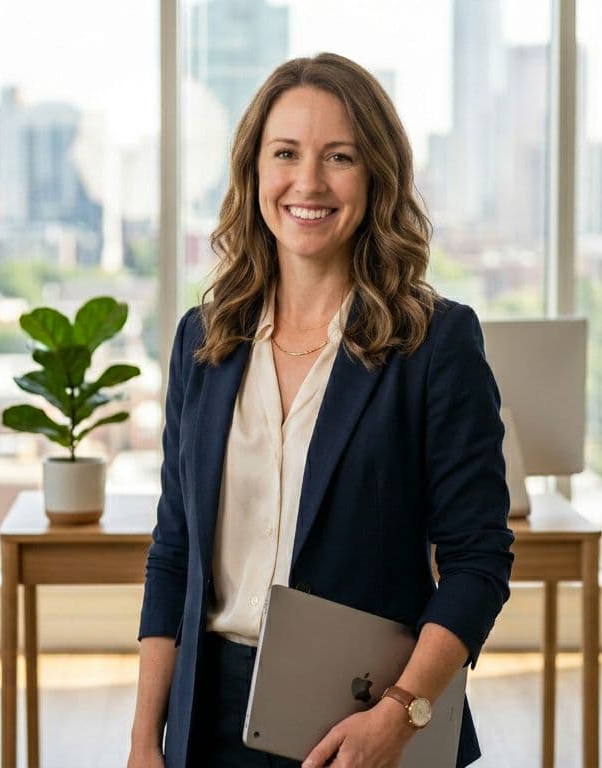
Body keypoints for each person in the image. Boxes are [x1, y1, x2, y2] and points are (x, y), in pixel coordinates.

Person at [128, 52, 514, 768]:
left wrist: (400, 715)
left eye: (339, 157)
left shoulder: (436, 343)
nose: (308, 182)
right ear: (253, 171)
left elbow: (478, 562)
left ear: (376, 176)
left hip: (363, 720)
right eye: (286, 154)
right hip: (206, 721)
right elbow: (174, 551)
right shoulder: (201, 341)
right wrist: (145, 740)